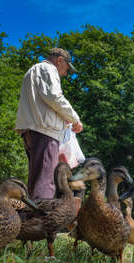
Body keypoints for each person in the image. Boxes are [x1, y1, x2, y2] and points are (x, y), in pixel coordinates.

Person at [15, 48, 83, 200]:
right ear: (60, 60)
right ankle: (43, 221)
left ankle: (33, 219)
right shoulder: (48, 69)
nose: (65, 74)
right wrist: (75, 119)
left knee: (36, 180)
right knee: (46, 183)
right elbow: (54, 97)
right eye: (66, 69)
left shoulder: (31, 72)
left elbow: (44, 102)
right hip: (44, 132)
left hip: (31, 131)